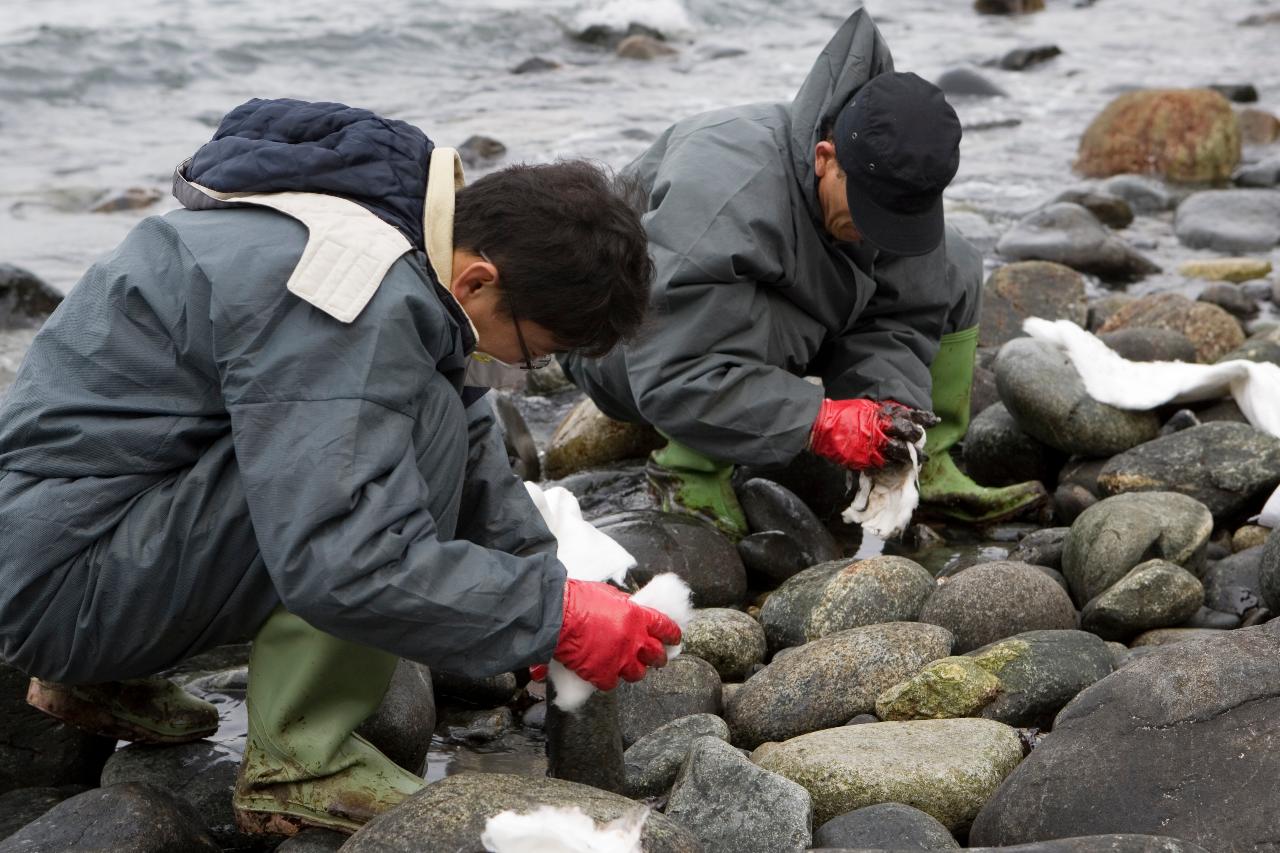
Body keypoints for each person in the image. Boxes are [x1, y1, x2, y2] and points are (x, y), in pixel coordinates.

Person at [0, 98, 681, 836]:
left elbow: (466, 427)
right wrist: (550, 614)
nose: (529, 365)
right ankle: (301, 756)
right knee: (389, 445)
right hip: (64, 586)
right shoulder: (351, 289)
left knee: (416, 405)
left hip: (62, 542)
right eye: (535, 346)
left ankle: (102, 675)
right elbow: (348, 553)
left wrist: (544, 590)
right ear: (480, 280)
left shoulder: (377, 230)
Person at [563, 9, 1047, 537]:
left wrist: (890, 416)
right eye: (865, 210)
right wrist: (822, 423)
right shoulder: (728, 197)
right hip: (622, 346)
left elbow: (905, 314)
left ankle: (924, 467)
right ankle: (688, 468)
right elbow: (675, 373)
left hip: (717, 336)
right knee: (774, 308)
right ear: (824, 157)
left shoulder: (887, 170)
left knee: (950, 260)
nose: (872, 229)